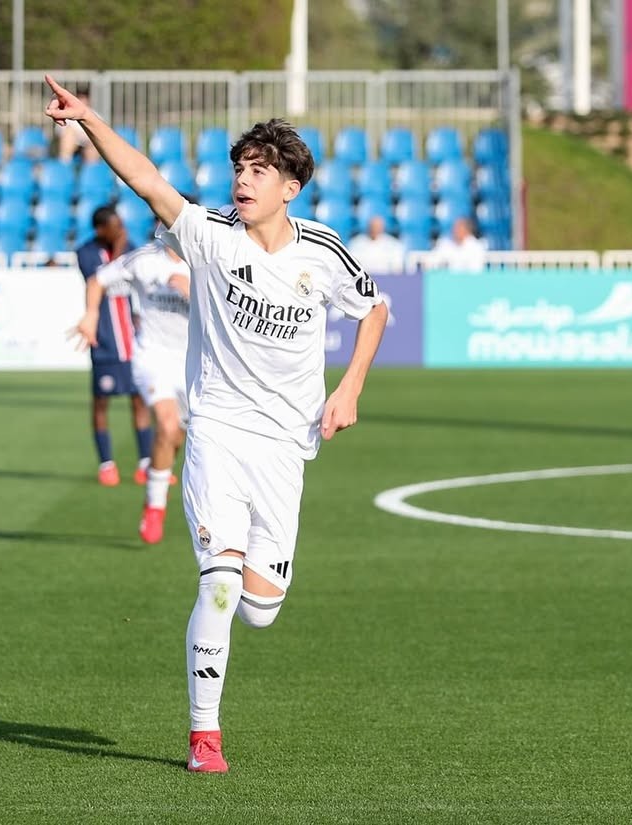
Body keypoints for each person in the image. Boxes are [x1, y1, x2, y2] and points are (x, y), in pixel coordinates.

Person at [45, 75, 389, 774]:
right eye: (239, 168)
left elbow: (374, 307)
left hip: (286, 444)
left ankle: (248, 594)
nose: (243, 180)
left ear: (291, 187)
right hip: (218, 433)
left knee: (261, 607)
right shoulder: (207, 234)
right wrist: (89, 121)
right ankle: (205, 734)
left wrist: (350, 386)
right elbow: (146, 178)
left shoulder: (322, 251)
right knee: (219, 584)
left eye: (259, 171)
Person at [71, 234, 191, 544]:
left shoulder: (208, 258)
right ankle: (155, 505)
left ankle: (157, 474)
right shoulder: (144, 259)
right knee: (166, 425)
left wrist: (194, 293)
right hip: (154, 356)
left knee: (177, 436)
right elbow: (97, 280)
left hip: (195, 363)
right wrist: (91, 314)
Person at [75, 204, 154, 486]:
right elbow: (101, 279)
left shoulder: (131, 248)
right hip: (105, 342)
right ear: (100, 230)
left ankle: (145, 463)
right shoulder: (86, 252)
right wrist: (121, 246)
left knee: (140, 400)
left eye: (121, 225)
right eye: (115, 226)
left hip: (134, 342)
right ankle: (106, 464)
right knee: (101, 403)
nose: (121, 230)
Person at [55, 87, 101, 164]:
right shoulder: (68, 113)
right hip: (73, 142)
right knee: (68, 136)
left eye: (83, 98)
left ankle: (91, 167)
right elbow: (60, 132)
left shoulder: (95, 115)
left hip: (88, 141)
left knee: (94, 143)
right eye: (79, 98)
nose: (81, 101)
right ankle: (64, 164)